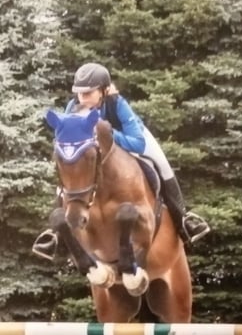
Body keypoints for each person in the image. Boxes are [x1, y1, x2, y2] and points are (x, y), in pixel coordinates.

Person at [32, 62, 210, 260]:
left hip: (131, 139)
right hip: (96, 153)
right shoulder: (73, 108)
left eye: (88, 93)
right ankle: (54, 235)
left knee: (162, 164)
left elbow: (137, 143)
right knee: (71, 175)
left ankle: (184, 219)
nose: (83, 98)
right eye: (80, 93)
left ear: (104, 91)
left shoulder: (117, 104)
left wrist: (106, 134)